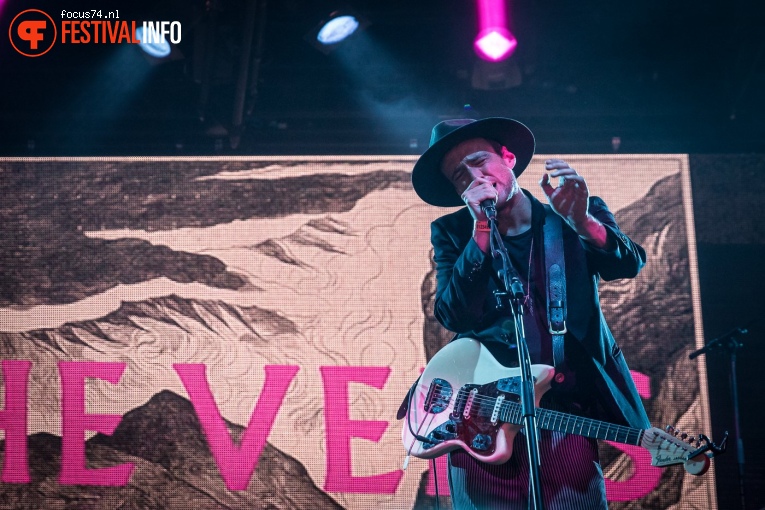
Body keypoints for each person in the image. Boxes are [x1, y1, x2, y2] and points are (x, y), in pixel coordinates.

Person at [410, 118, 650, 509]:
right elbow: (453, 314)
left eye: (479, 161)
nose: (475, 177)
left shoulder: (571, 216)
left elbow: (628, 264)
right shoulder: (453, 232)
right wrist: (481, 234)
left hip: (561, 412)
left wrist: (584, 222)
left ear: (508, 157)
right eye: (460, 176)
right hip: (480, 416)